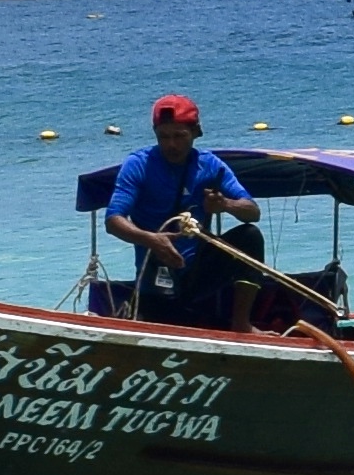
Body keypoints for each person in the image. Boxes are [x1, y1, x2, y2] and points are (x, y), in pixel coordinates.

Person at [105, 93, 264, 325]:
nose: (171, 144)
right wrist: (151, 239)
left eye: (179, 136)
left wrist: (225, 205)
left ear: (196, 133)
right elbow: (113, 220)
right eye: (164, 136)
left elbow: (253, 212)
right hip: (156, 272)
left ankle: (241, 324)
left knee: (250, 236)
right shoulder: (138, 165)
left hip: (199, 271)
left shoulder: (209, 165)